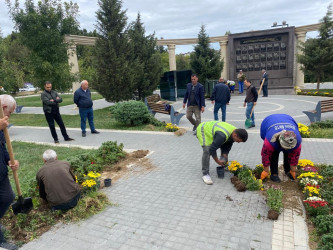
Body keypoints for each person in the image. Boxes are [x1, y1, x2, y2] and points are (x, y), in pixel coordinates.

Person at [0, 95, 19, 250]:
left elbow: (2, 146)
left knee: (8, 197)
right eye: (10, 112)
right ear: (4, 108)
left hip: (1, 171)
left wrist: (9, 160)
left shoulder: (2, 123)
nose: (9, 116)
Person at [260, 114, 302, 183]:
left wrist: (293, 170)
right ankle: (274, 174)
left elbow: (295, 156)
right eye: (285, 147)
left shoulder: (297, 141)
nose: (286, 149)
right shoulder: (270, 141)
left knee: (288, 153)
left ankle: (288, 170)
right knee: (274, 154)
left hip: (288, 119)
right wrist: (266, 170)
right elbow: (266, 155)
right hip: (268, 122)